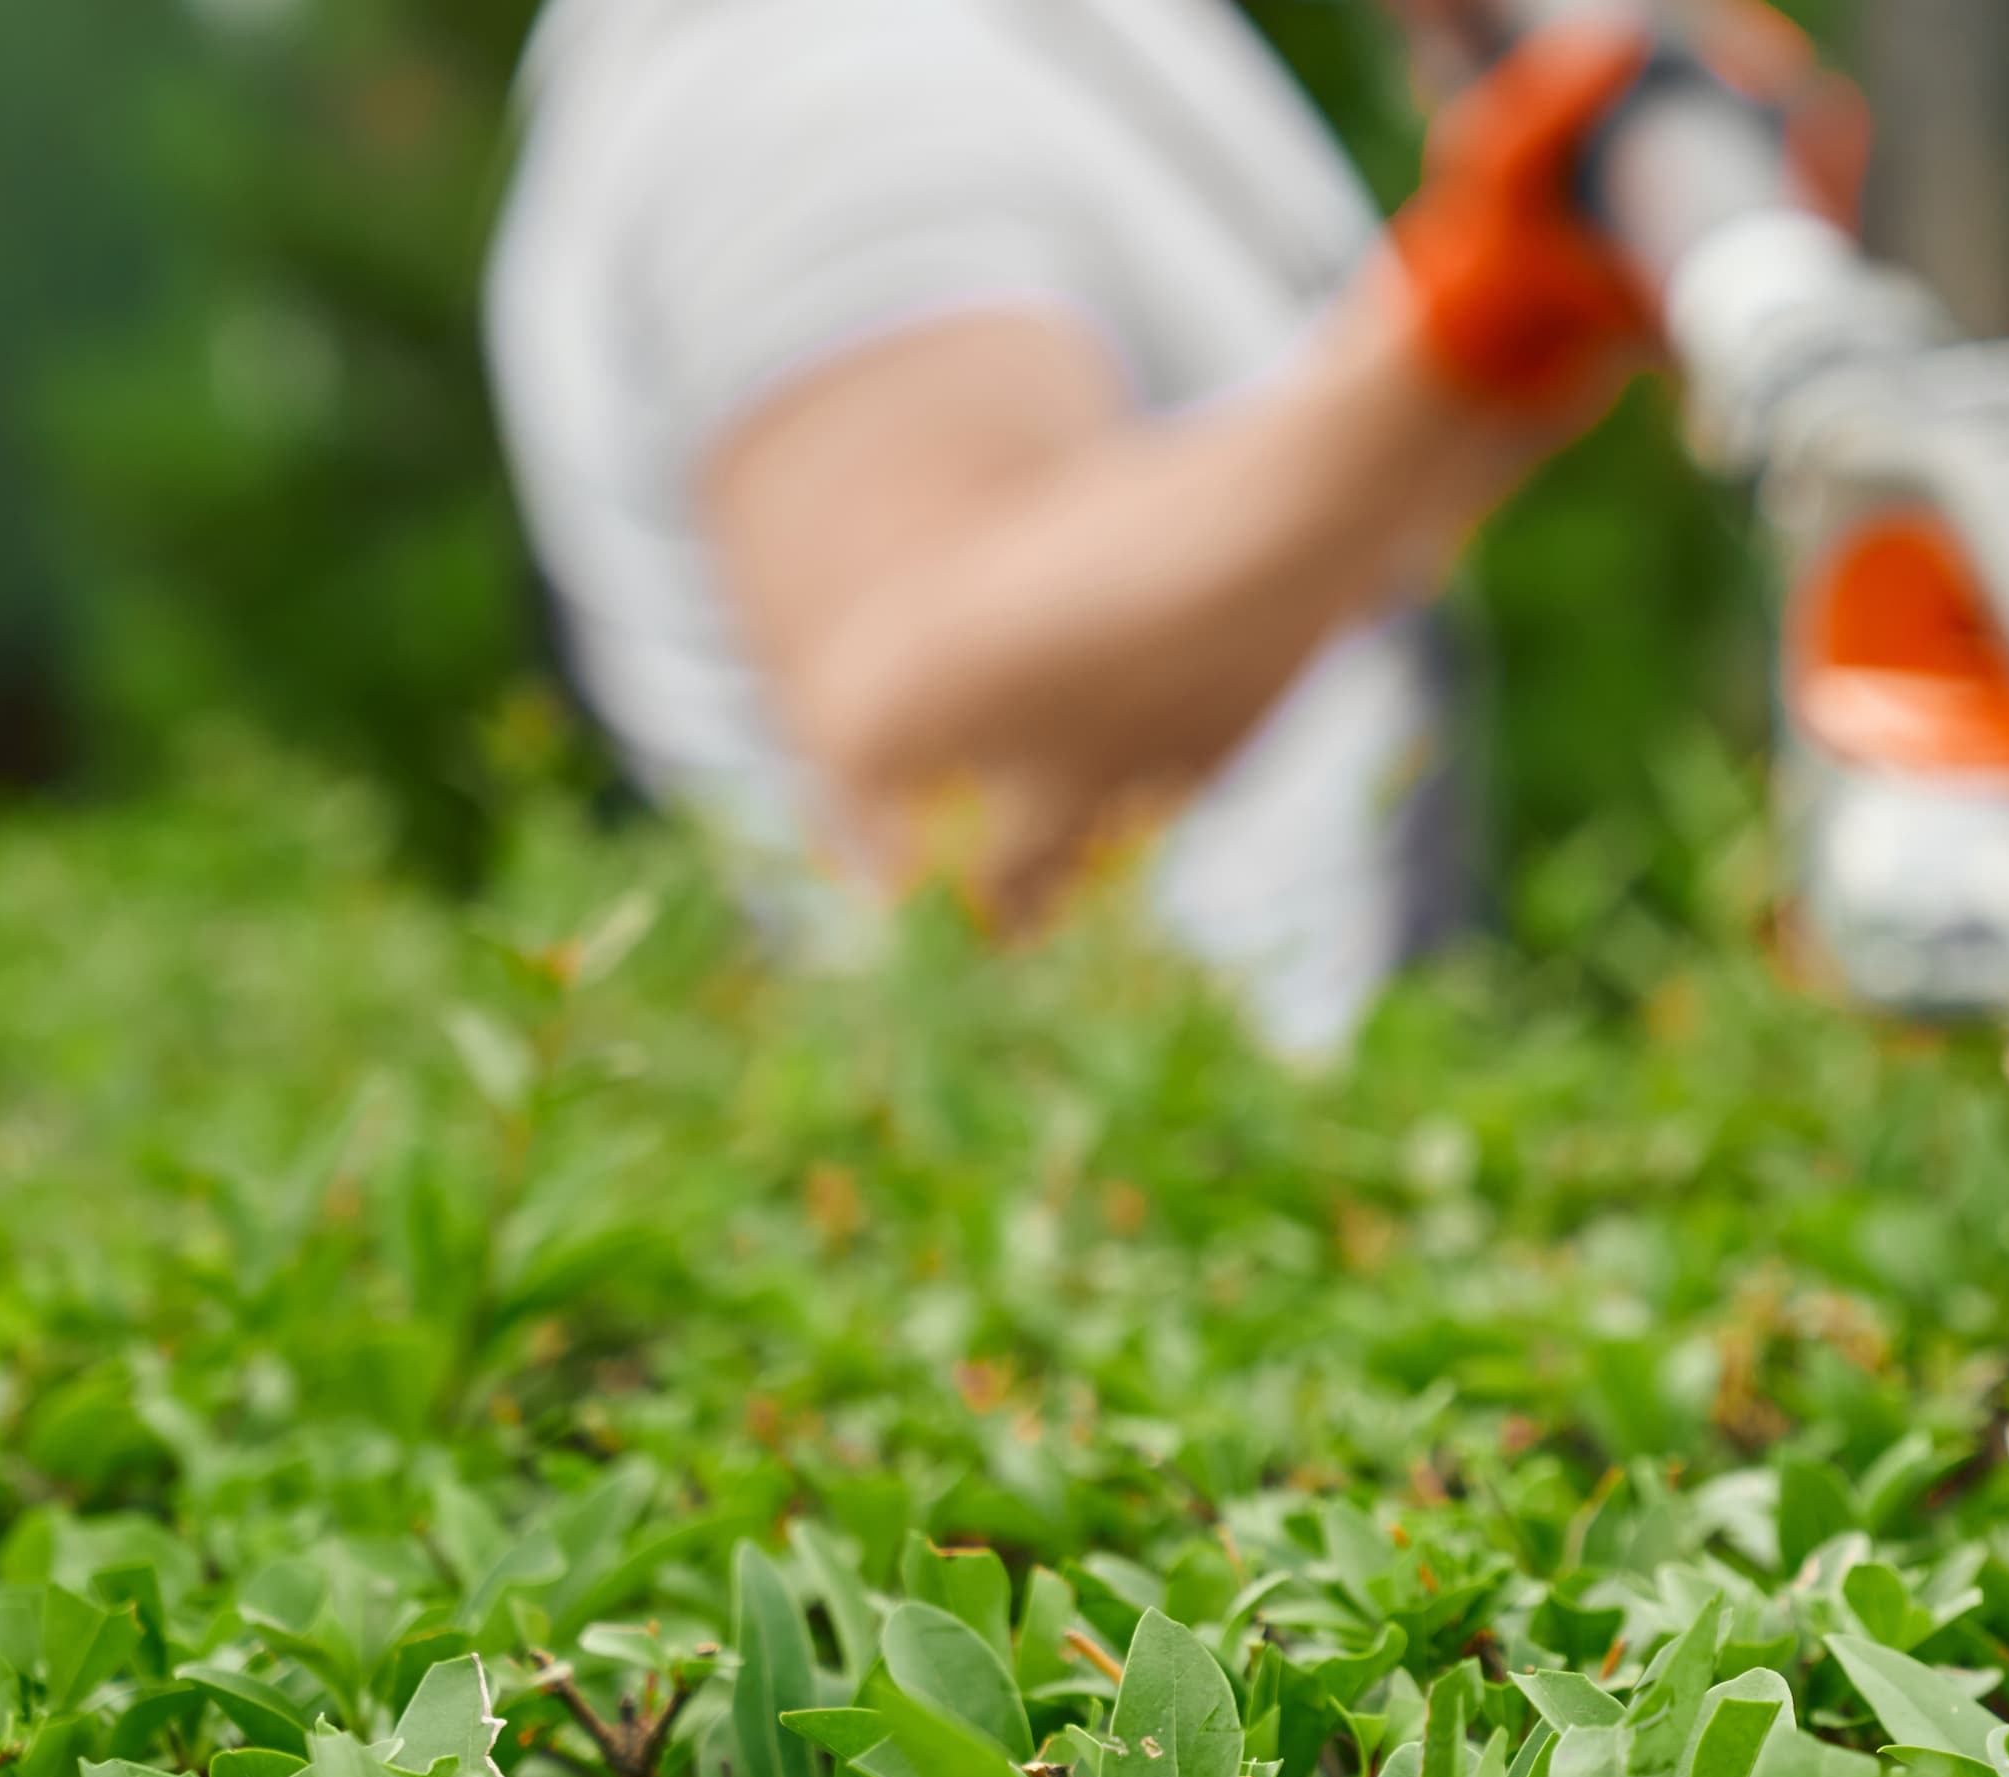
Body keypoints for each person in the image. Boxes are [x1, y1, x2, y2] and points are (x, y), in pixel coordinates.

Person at [489, 0, 1843, 1056]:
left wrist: (1519, 318)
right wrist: (1468, 341)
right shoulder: (828, 65)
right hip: (1089, 1257)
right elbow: (938, 776)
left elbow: (1255, 526)